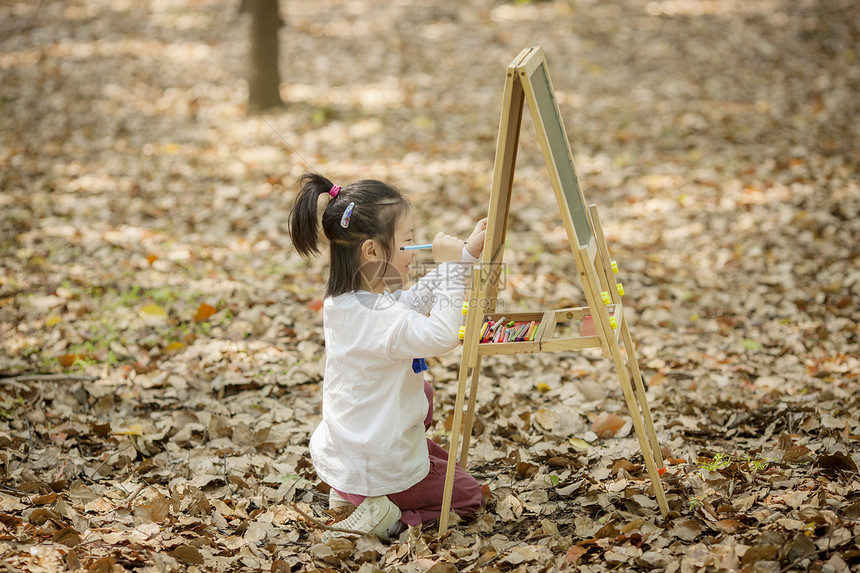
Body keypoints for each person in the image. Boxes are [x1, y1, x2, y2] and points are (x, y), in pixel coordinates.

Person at [289, 173, 487, 541]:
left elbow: (409, 303)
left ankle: (352, 495)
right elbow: (442, 335)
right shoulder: (378, 318)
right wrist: (447, 271)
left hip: (350, 452)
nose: (417, 248)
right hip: (375, 461)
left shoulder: (347, 302)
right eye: (408, 241)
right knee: (467, 494)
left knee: (427, 415)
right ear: (371, 250)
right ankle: (387, 516)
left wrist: (463, 258)